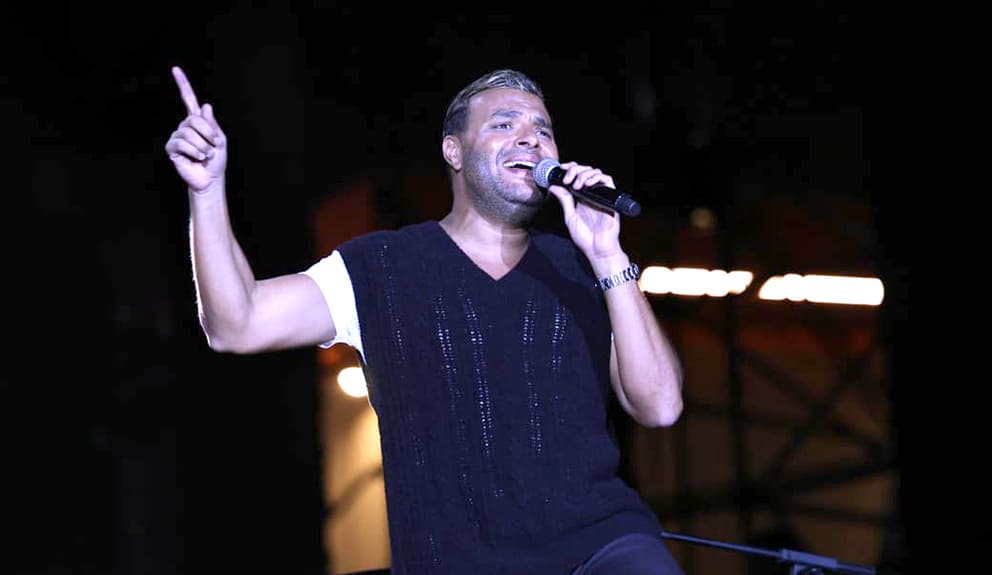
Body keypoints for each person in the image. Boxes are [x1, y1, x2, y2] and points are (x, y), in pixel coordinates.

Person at [164, 64, 686, 575]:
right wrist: (206, 193)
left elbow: (661, 406)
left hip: (600, 549)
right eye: (504, 124)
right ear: (453, 151)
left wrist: (609, 257)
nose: (530, 138)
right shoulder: (379, 267)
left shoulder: (582, 268)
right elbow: (236, 324)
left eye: (542, 130)